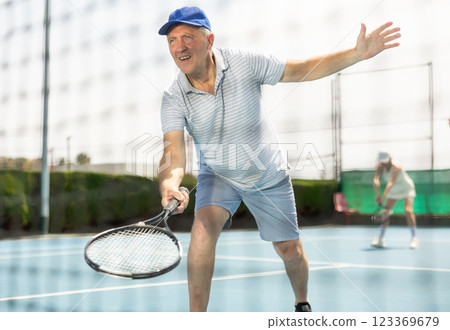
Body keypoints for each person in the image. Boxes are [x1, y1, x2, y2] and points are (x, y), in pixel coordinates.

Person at [157, 6, 401, 312]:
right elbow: (174, 152)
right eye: (172, 40)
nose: (180, 46)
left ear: (209, 41)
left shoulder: (245, 62)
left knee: (289, 249)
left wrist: (355, 53)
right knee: (202, 230)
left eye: (188, 37)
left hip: (267, 174)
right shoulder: (173, 97)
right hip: (218, 176)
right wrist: (170, 183)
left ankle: (302, 301)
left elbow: (300, 69)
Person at [372, 151, 419, 249]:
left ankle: (414, 239)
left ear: (390, 159)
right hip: (394, 190)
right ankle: (380, 239)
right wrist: (378, 195)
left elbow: (390, 183)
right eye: (382, 162)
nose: (384, 164)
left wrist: (383, 197)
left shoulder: (396, 166)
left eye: (385, 161)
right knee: (386, 212)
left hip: (406, 188)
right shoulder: (380, 166)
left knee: (408, 211)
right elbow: (376, 180)